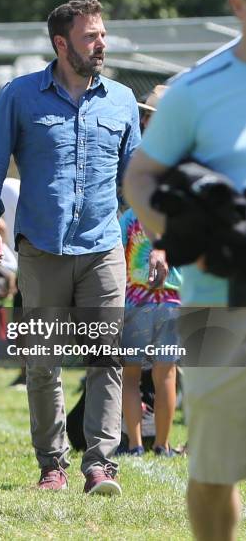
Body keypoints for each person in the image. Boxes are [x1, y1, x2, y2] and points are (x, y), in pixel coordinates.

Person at [0, 0, 141, 494]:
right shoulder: (19, 96)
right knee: (43, 363)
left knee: (106, 357)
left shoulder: (122, 100)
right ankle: (52, 465)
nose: (101, 44)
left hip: (103, 248)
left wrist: (158, 241)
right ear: (61, 43)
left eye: (103, 34)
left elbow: (137, 184)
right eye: (91, 37)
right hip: (41, 250)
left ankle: (101, 465)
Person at [123, 0, 246, 540]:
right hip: (216, 297)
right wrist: (182, 239)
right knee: (215, 468)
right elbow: (139, 178)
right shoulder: (197, 91)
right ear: (238, 4)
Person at [119, 85, 182, 457]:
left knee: (131, 372)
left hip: (134, 294)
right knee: (166, 372)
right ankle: (162, 444)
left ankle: (134, 443)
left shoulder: (140, 161)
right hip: (173, 293)